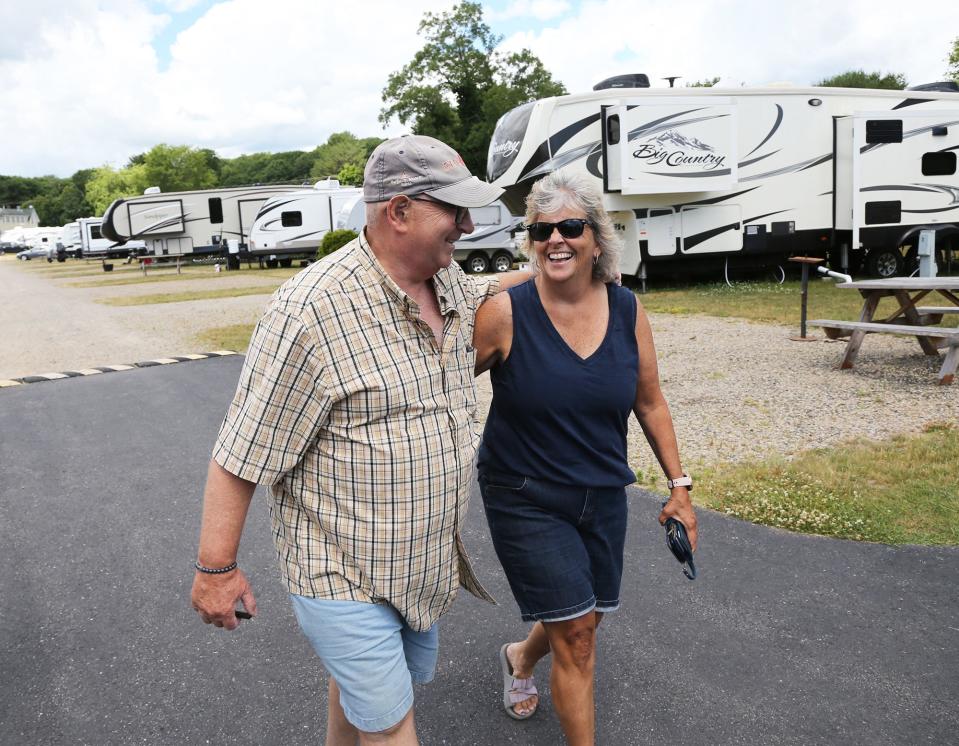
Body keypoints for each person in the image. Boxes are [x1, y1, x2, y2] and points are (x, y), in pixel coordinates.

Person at [190, 134, 532, 746]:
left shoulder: (447, 282)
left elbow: (493, 292)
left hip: (414, 567)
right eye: (453, 210)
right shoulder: (311, 312)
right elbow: (241, 453)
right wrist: (217, 569)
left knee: (364, 698)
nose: (469, 223)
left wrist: (561, 263)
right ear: (398, 211)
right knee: (391, 726)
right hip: (341, 571)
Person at [472, 170, 698, 745]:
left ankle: (520, 657)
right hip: (524, 493)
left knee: (586, 615)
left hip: (601, 494)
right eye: (542, 231)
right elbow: (434, 374)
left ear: (598, 237)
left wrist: (680, 486)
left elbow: (649, 401)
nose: (556, 239)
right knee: (577, 635)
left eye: (571, 227)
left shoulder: (627, 309)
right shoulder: (505, 313)